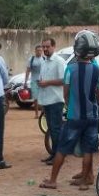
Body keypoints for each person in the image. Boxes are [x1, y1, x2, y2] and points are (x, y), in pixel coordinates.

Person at [40, 31, 99, 190]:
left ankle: (53, 180)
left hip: (75, 116)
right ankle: (85, 181)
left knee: (62, 148)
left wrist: (70, 105)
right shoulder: (98, 70)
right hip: (92, 116)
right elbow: (98, 93)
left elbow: (66, 93)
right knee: (88, 149)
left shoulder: (71, 69)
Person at [37, 37, 66, 165]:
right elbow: (42, 80)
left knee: (56, 129)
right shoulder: (44, 62)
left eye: (47, 47)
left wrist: (47, 83)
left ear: (54, 46)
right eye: (43, 47)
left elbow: (63, 80)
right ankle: (53, 154)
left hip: (56, 100)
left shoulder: (59, 61)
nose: (45, 49)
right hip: (46, 100)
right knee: (51, 129)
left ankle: (58, 157)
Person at [24, 44, 44, 118]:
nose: (39, 52)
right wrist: (25, 81)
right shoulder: (31, 59)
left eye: (40, 50)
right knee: (35, 98)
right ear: (35, 51)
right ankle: (36, 114)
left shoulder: (44, 59)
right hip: (34, 80)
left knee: (42, 97)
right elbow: (28, 71)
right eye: (38, 50)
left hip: (43, 81)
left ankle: (42, 113)